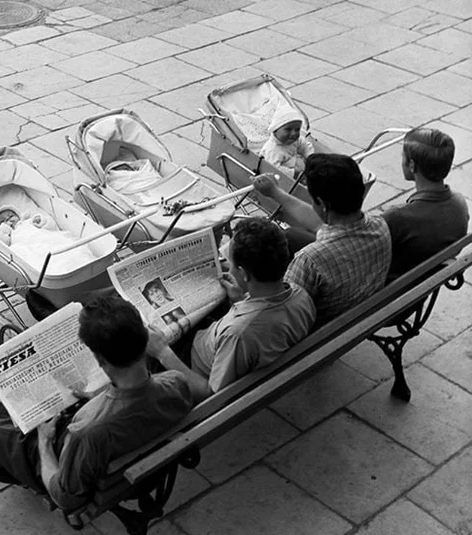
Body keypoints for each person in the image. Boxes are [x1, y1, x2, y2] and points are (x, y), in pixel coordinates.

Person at [0, 296, 193, 511]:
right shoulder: (177, 383)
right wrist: (103, 395)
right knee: (8, 411)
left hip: (62, 451)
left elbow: (66, 497)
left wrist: (44, 442)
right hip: (142, 464)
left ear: (99, 359)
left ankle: (6, 465)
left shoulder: (87, 433)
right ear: (144, 340)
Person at [147, 218, 315, 402]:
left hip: (191, 363)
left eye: (231, 262)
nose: (229, 266)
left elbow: (212, 396)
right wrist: (238, 299)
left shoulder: (238, 335)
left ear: (243, 273)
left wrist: (162, 352)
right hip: (224, 338)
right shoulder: (300, 295)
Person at [253, 154, 392, 327]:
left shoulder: (309, 261)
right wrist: (275, 192)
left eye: (313, 200)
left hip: (318, 331)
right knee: (290, 235)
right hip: (355, 314)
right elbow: (319, 223)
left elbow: (283, 314)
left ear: (321, 203)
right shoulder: (379, 225)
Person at [383, 128, 469, 282]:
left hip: (391, 297)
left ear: (411, 164)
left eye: (402, 156)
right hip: (420, 288)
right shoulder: (459, 204)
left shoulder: (397, 217)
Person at [259, 106, 315, 180]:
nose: (294, 133)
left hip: (298, 169)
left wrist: (310, 157)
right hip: (284, 180)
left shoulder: (293, 140)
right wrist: (295, 173)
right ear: (275, 129)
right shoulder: (272, 150)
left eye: (297, 129)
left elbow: (304, 145)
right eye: (288, 129)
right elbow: (273, 170)